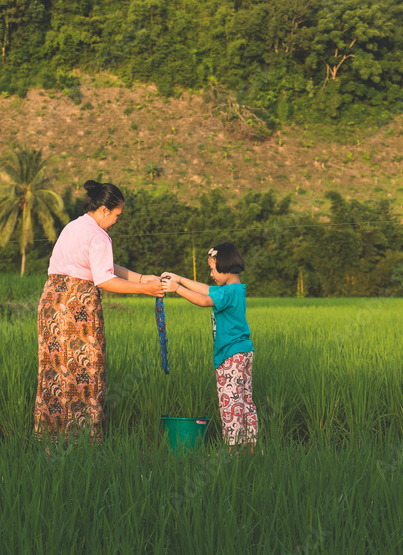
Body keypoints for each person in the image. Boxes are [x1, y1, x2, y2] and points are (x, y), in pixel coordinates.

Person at [34, 179, 165, 444]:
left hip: (52, 306)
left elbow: (103, 265)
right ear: (104, 209)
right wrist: (146, 290)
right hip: (78, 309)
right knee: (86, 374)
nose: (117, 220)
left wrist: (140, 278)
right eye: (117, 214)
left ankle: (50, 441)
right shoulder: (99, 235)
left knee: (55, 373)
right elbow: (104, 279)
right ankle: (82, 443)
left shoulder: (74, 227)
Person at [162, 243, 258, 452]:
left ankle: (232, 454)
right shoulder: (234, 288)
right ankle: (252, 450)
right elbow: (207, 289)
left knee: (230, 406)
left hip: (229, 355)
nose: (211, 273)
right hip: (243, 352)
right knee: (245, 403)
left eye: (213, 269)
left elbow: (205, 300)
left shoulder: (227, 292)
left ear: (225, 266)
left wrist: (176, 288)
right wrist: (179, 278)